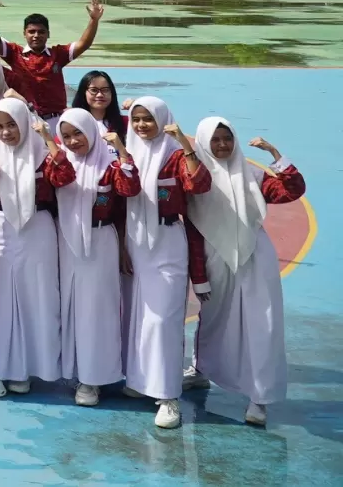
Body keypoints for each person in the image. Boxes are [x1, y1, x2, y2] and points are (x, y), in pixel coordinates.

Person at [183, 119, 305, 426]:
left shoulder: (252, 174)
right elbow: (194, 232)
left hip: (254, 257)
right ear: (203, 143)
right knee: (213, 320)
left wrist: (277, 156)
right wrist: (198, 277)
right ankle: (202, 371)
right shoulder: (196, 178)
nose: (222, 145)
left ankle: (259, 397)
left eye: (227, 139)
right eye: (215, 140)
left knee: (261, 324)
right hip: (214, 259)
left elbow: (291, 191)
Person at [0, 99, 71, 401]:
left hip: (38, 230)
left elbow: (65, 177)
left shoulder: (44, 154)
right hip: (0, 229)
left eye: (12, 125)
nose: (6, 132)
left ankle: (28, 371)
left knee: (38, 298)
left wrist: (48, 138)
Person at [120, 97, 210, 429]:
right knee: (138, 316)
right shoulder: (129, 150)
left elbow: (198, 184)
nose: (142, 125)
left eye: (148, 119)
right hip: (136, 240)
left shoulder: (174, 154)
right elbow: (122, 193)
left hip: (169, 242)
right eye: (137, 119)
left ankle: (169, 397)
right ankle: (141, 381)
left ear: (163, 120)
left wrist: (186, 146)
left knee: (164, 319)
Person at [50, 108, 136, 406]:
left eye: (78, 134)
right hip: (67, 242)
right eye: (66, 136)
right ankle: (73, 370)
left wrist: (123, 153)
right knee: (69, 307)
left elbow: (129, 189)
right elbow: (60, 180)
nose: (73, 142)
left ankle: (93, 378)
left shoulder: (109, 164)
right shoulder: (59, 163)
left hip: (100, 242)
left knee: (97, 311)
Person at [0, 0, 105, 119]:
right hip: (25, 117)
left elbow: (84, 44)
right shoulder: (14, 53)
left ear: (48, 34)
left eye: (41, 32)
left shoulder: (58, 54)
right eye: (31, 32)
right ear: (24, 34)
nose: (36, 35)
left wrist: (94, 20)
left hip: (55, 118)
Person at [72, 69, 126, 136]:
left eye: (105, 90)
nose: (99, 95)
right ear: (83, 93)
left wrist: (135, 105)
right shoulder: (72, 123)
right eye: (94, 90)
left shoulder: (126, 123)